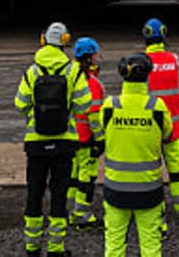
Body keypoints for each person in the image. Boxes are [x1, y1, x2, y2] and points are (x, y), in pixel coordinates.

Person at [15, 21, 91, 256]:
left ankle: (32, 245)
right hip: (64, 142)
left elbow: (20, 104)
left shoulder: (32, 71)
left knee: (34, 192)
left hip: (36, 143)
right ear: (65, 42)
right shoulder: (73, 70)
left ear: (43, 40)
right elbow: (84, 105)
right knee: (59, 194)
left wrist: (35, 114)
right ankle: (56, 248)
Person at [99, 53, 179, 257]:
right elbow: (168, 134)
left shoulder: (110, 106)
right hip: (149, 191)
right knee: (150, 245)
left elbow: (102, 130)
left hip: (115, 190)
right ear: (148, 76)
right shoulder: (157, 108)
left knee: (114, 245)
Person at [141, 18, 179, 231]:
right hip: (172, 131)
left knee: (153, 178)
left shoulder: (141, 62)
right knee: (178, 175)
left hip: (150, 131)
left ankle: (159, 225)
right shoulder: (175, 59)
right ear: (164, 36)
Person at [68, 37, 107, 231]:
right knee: (86, 178)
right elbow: (94, 117)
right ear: (89, 57)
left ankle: (69, 211)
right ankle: (82, 215)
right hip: (85, 139)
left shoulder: (69, 76)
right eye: (94, 55)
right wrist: (100, 140)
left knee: (72, 178)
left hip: (70, 138)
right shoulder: (92, 84)